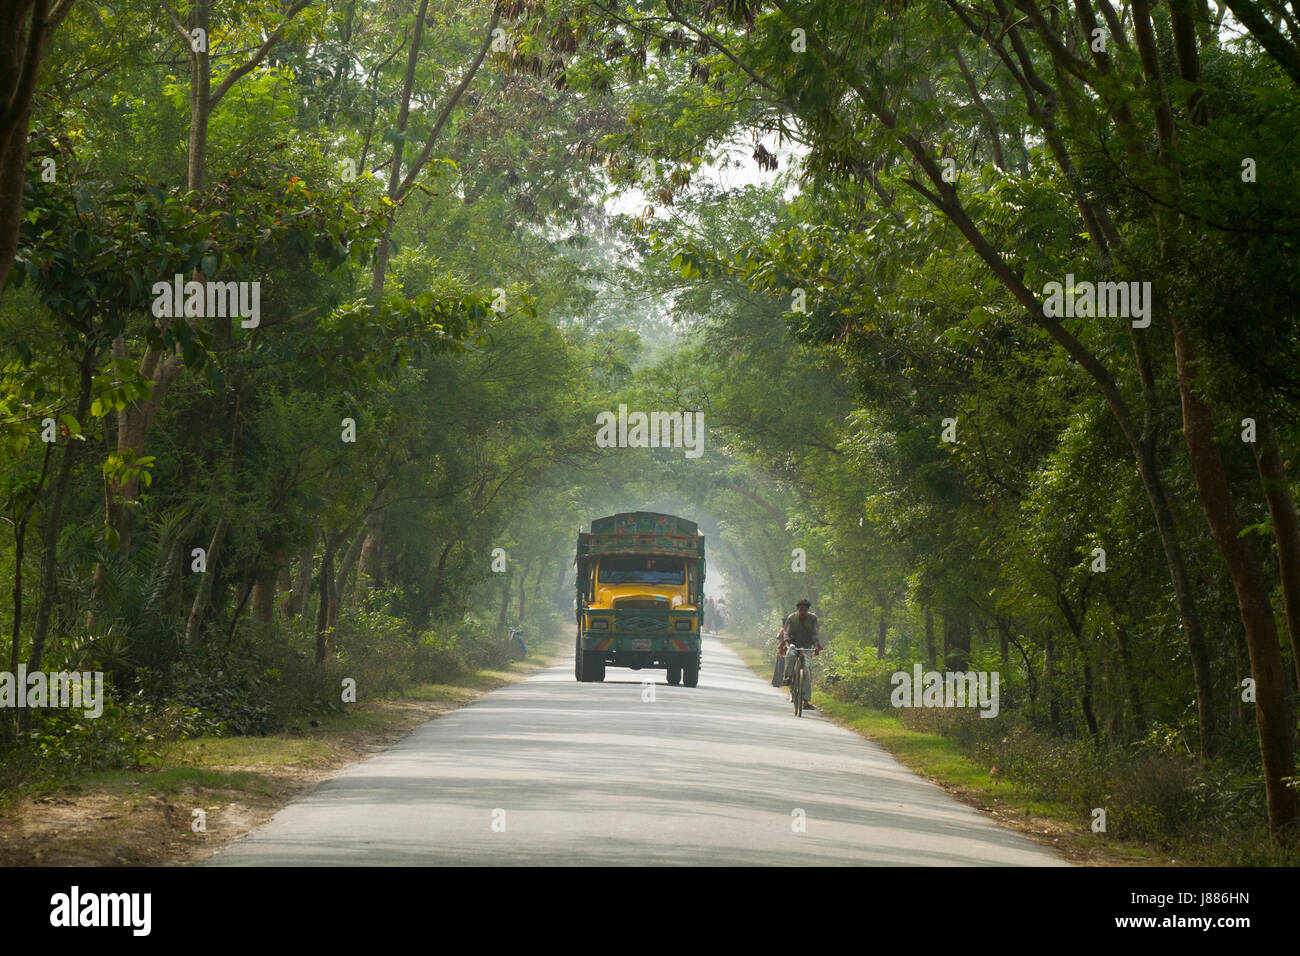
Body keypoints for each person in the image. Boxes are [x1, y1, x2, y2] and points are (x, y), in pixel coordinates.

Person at [777, 599, 821, 709]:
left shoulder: (813, 618)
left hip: (806, 647)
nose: (802, 612)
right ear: (798, 609)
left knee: (807, 671)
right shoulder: (792, 618)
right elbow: (786, 632)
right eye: (801, 610)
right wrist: (787, 643)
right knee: (790, 654)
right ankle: (788, 676)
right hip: (793, 644)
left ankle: (805, 700)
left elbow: (815, 633)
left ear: (808, 610)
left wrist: (815, 646)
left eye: (805, 610)